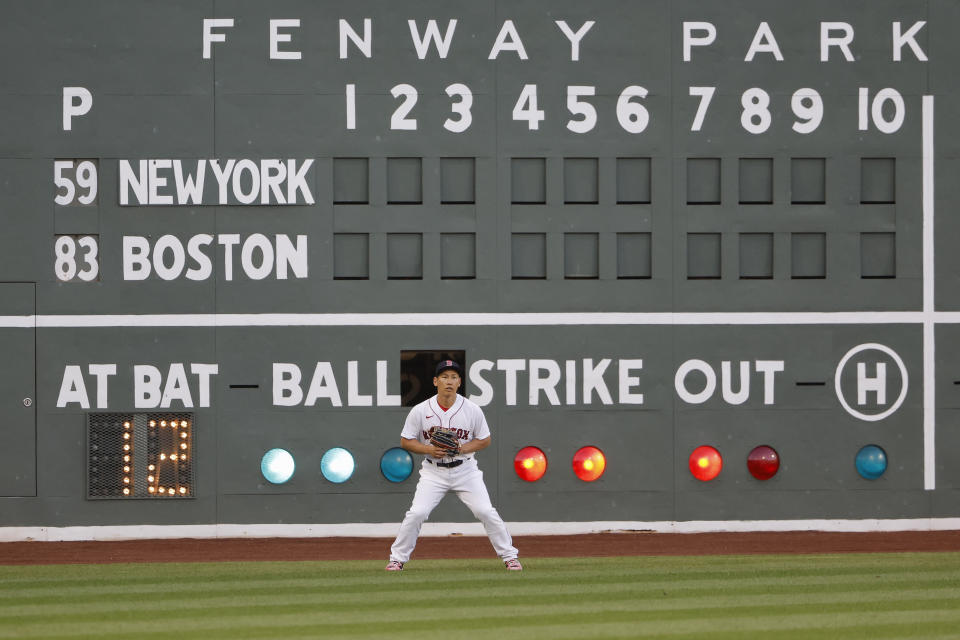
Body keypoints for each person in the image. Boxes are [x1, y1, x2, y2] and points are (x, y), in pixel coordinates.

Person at [386, 359, 521, 571]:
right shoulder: (421, 410)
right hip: (433, 470)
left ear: (459, 383)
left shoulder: (472, 410)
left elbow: (485, 440)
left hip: (465, 469)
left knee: (485, 511)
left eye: (454, 377)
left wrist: (462, 449)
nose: (449, 381)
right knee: (417, 513)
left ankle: (510, 556)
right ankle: (397, 559)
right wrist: (428, 449)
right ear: (435, 381)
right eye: (444, 377)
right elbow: (406, 440)